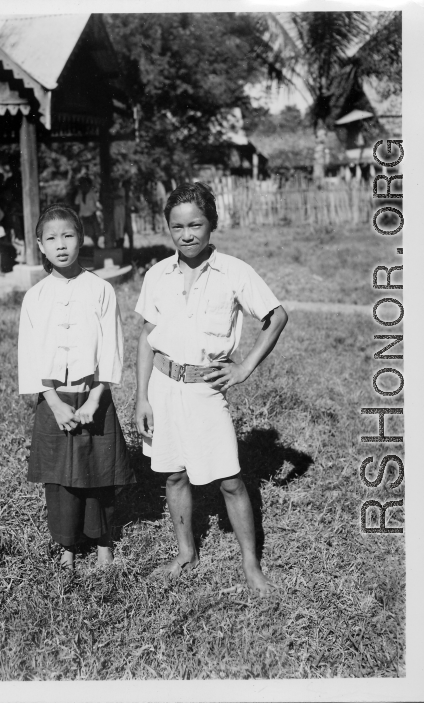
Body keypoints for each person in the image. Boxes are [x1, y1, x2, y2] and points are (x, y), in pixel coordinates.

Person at [134, 182, 288, 594]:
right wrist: (141, 397)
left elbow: (276, 316)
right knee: (173, 475)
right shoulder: (157, 274)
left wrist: (243, 370)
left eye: (196, 225)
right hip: (164, 387)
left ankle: (251, 565)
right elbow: (147, 336)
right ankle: (186, 553)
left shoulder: (234, 271)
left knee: (231, 480)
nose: (187, 235)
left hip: (206, 389)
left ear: (212, 224)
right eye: (177, 227)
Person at [18, 204, 134, 570]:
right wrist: (52, 401)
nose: (61, 244)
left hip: (93, 395)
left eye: (68, 235)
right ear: (40, 245)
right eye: (52, 238)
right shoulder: (35, 296)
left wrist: (95, 398)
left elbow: (113, 347)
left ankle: (103, 544)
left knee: (98, 472)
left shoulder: (100, 289)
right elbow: (30, 354)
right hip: (55, 399)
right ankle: (67, 547)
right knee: (60, 477)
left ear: (81, 238)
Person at [74, 176, 101, 249]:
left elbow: (98, 202)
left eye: (86, 184)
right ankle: (96, 245)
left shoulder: (92, 193)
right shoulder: (79, 195)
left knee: (96, 231)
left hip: (92, 215)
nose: (84, 186)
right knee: (90, 232)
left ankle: (97, 245)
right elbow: (76, 204)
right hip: (84, 216)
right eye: (82, 184)